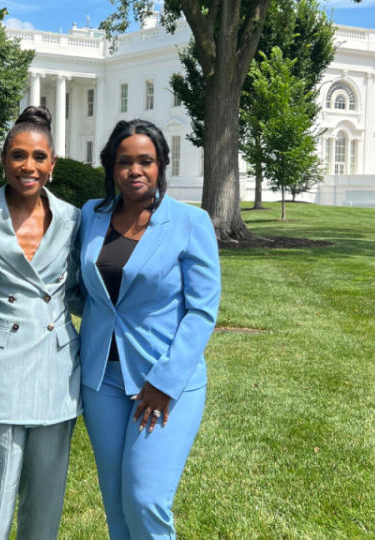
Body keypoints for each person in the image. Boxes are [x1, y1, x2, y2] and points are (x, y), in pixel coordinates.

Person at [78, 119, 221, 539]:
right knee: (117, 502)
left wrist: (165, 381)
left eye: (146, 161)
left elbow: (201, 312)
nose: (135, 170)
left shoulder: (190, 222)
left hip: (161, 381)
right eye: (125, 162)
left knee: (145, 499)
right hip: (100, 379)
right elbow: (82, 290)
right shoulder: (92, 215)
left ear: (161, 166)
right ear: (111, 167)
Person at [0, 106, 82, 540]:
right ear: (4, 159)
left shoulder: (72, 217)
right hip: (2, 364)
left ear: (53, 164)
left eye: (39, 157)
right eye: (18, 156)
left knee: (45, 505)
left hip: (58, 366)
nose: (29, 166)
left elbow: (83, 289)